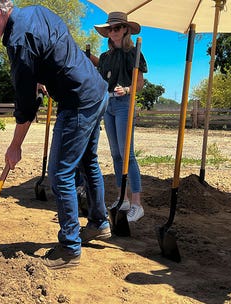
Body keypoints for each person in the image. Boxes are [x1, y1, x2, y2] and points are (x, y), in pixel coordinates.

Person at [0, 0, 110, 269]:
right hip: (96, 90)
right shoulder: (35, 10)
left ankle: (69, 248)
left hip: (77, 100)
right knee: (88, 162)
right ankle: (99, 223)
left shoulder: (17, 41)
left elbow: (26, 105)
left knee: (61, 173)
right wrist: (45, 75)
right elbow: (56, 45)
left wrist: (15, 146)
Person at [94, 12, 148, 223]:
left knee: (128, 154)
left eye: (117, 28)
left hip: (124, 103)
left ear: (126, 29)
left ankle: (137, 203)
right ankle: (122, 198)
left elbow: (140, 84)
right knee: (116, 154)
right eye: (110, 29)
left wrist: (126, 89)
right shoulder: (106, 57)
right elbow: (102, 77)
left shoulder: (133, 53)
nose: (113, 31)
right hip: (108, 104)